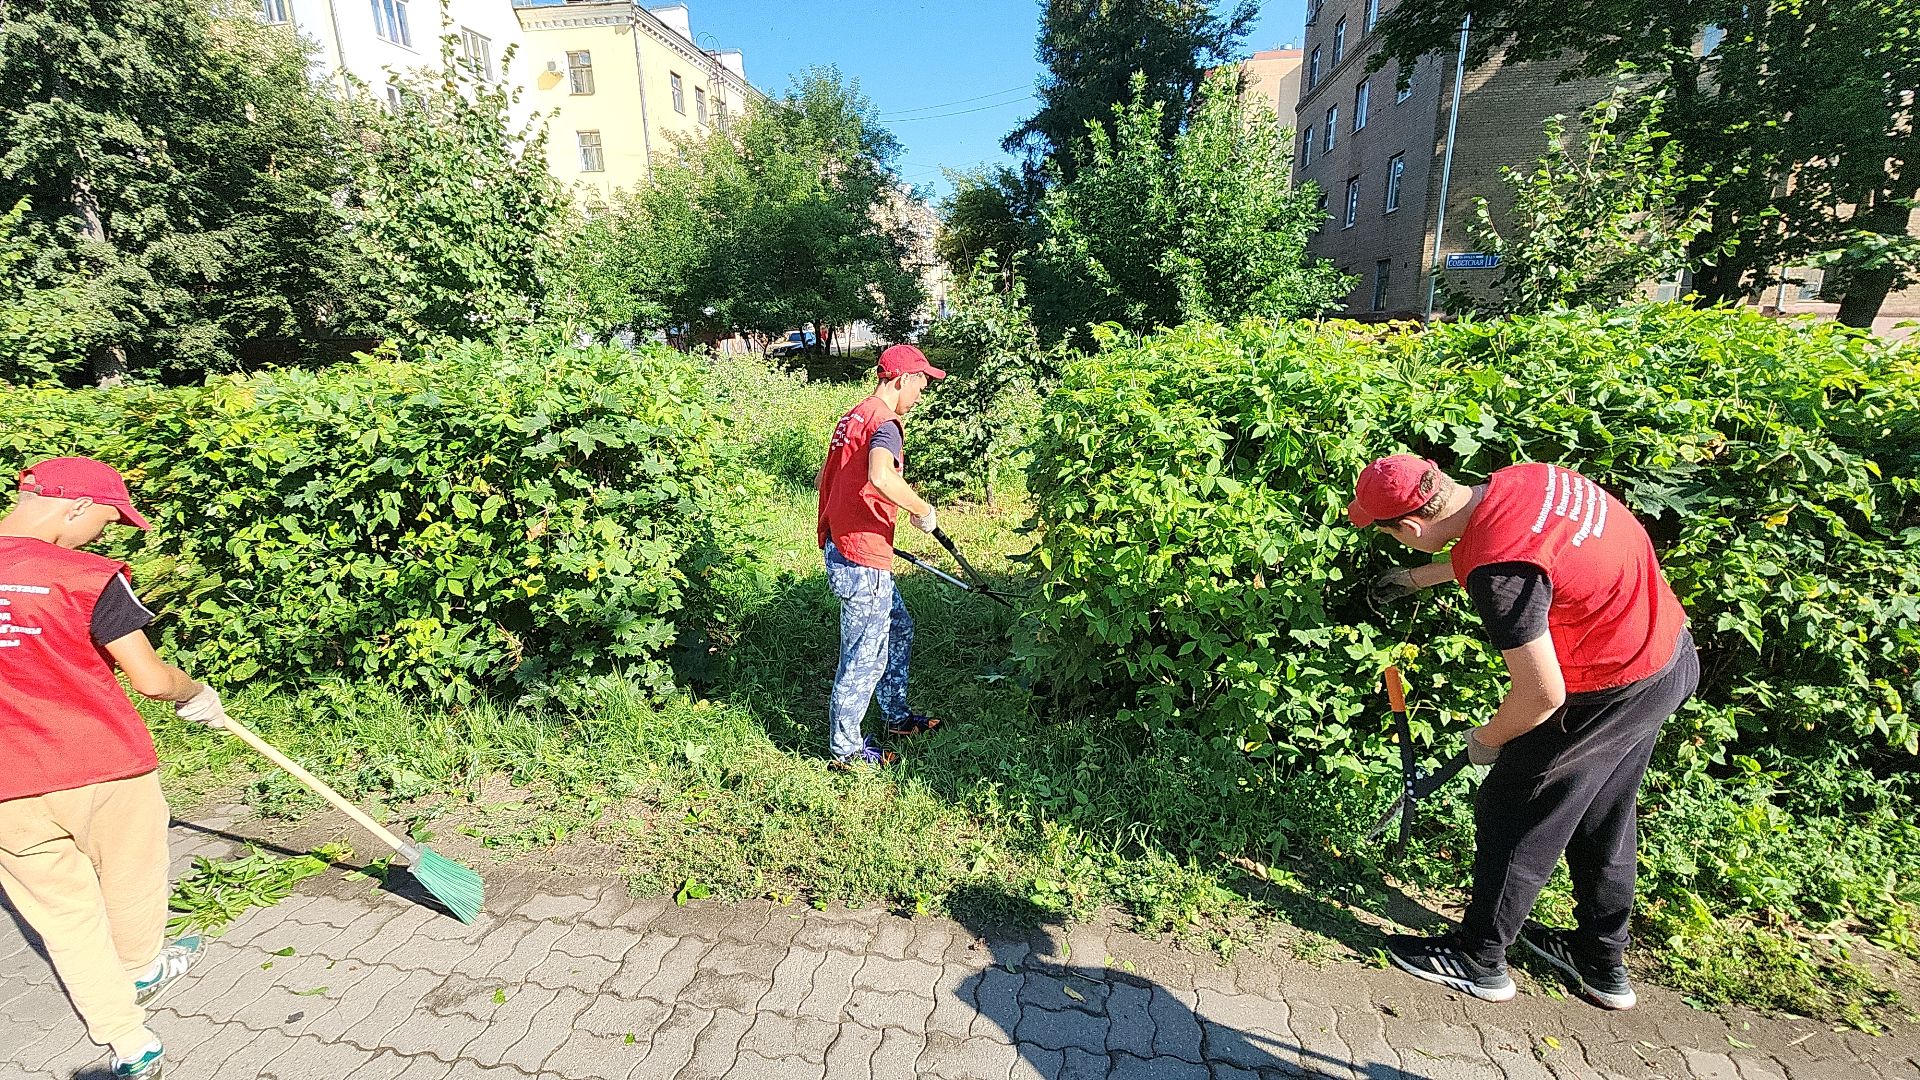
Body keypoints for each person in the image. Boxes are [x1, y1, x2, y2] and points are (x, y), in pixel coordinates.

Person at [1350, 454, 1697, 1010]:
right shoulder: (1527, 479)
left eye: (1390, 534)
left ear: (1411, 528)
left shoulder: (1499, 574)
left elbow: (1541, 695)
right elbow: (1525, 547)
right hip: (1664, 654)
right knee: (1603, 809)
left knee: (1514, 806)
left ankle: (1478, 958)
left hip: (1605, 685)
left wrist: (1488, 739)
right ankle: (1600, 959)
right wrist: (1421, 577)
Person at [0, 457, 230, 1078]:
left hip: (8, 790)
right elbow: (151, 681)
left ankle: (131, 1045)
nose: (104, 535)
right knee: (131, 876)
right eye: (105, 520)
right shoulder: (87, 577)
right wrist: (195, 693)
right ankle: (143, 967)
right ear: (73, 506)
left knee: (64, 920)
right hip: (103, 764)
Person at [815, 344, 949, 769]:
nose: (921, 394)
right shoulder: (886, 422)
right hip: (861, 556)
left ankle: (895, 716)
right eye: (922, 384)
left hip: (852, 543)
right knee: (863, 655)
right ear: (902, 379)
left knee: (899, 627)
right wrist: (921, 510)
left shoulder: (854, 415)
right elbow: (879, 474)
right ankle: (846, 750)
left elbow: (828, 475)